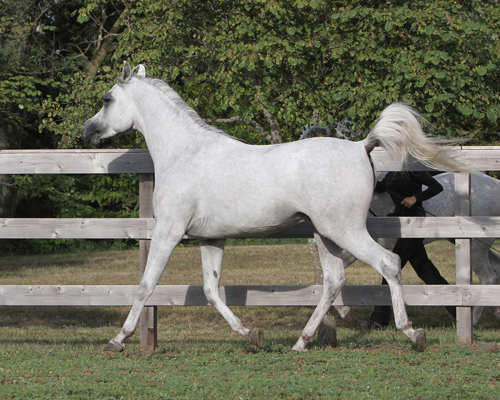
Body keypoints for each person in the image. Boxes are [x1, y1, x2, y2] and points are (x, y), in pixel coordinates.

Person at [360, 171, 457, 329]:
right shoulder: (391, 173)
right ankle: (458, 310)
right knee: (426, 270)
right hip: (402, 224)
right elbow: (380, 187)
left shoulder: (413, 171)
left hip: (415, 224)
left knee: (390, 270)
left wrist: (415, 198)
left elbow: (436, 187)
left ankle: (379, 320)